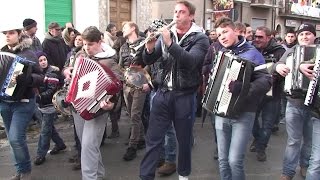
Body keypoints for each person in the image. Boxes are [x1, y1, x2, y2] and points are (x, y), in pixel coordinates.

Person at [139, 1, 210, 179]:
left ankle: (183, 174)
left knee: (184, 140)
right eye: (175, 11)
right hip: (162, 93)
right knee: (153, 139)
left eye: (182, 12)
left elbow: (191, 62)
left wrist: (170, 43)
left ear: (191, 16)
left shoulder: (200, 38)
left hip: (184, 96)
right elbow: (149, 60)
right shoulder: (167, 34)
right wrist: (148, 48)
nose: (177, 15)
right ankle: (145, 176)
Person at [214, 17, 271, 180]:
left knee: (234, 161)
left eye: (225, 32)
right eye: (219, 35)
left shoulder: (253, 53)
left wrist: (243, 88)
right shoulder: (221, 53)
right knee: (223, 160)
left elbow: (266, 82)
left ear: (236, 31)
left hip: (243, 113)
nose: (222, 37)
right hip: (221, 112)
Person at [63, 26, 122, 180]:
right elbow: (69, 70)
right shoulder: (79, 55)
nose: (86, 48)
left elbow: (117, 87)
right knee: (88, 146)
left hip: (98, 110)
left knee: (89, 145)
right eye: (84, 44)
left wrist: (112, 104)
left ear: (100, 42)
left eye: (90, 44)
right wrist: (67, 71)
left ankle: (89, 177)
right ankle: (99, 175)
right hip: (77, 106)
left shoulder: (110, 61)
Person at [0, 23, 46, 180]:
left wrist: (26, 78)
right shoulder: (2, 53)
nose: (7, 35)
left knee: (15, 137)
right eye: (5, 33)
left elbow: (40, 77)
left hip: (24, 101)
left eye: (11, 32)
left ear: (19, 34)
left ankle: (25, 171)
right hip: (5, 102)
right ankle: (19, 171)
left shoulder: (29, 53)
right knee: (12, 139)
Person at [273, 23, 315, 180]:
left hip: (313, 106)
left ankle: (305, 165)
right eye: (302, 34)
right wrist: (278, 67)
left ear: (314, 36)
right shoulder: (291, 52)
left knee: (310, 141)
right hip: (294, 102)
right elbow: (277, 64)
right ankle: (288, 172)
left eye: (308, 34)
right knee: (293, 141)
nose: (304, 36)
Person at [251, 26, 286, 162]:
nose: (257, 39)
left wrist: (275, 74)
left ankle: (261, 148)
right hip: (255, 92)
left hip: (273, 93)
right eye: (256, 36)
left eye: (260, 37)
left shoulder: (280, 51)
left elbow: (285, 72)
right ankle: (257, 137)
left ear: (269, 37)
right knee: (251, 120)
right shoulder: (252, 49)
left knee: (268, 124)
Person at [119, 21, 147, 161]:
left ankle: (133, 146)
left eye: (125, 27)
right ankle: (141, 139)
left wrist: (143, 76)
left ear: (133, 28)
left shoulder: (144, 42)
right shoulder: (123, 46)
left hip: (141, 82)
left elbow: (150, 62)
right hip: (127, 84)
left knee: (135, 114)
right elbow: (119, 65)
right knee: (131, 114)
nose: (122, 29)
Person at [33, 51, 66, 166]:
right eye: (40, 60)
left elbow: (51, 90)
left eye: (44, 60)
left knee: (45, 131)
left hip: (49, 106)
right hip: (42, 106)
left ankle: (40, 154)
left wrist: (39, 97)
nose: (43, 62)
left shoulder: (52, 73)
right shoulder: (38, 73)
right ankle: (60, 144)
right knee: (48, 128)